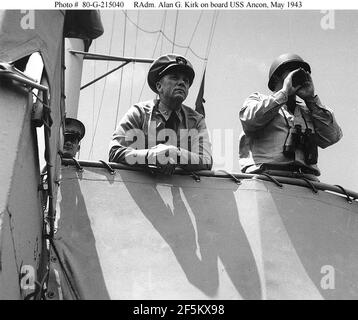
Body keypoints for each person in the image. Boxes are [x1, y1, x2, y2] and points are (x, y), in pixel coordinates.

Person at [239, 53, 342, 179]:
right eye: (291, 71)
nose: (298, 76)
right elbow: (250, 121)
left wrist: (311, 100)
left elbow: (332, 137)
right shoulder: (258, 100)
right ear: (276, 77)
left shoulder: (310, 111)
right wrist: (284, 93)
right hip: (267, 178)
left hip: (306, 182)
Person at [109, 53, 212, 175]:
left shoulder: (196, 120)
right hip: (141, 186)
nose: (182, 83)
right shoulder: (139, 113)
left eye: (186, 80)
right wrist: (152, 156)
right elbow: (115, 151)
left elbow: (206, 161)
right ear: (159, 86)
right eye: (174, 77)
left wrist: (176, 154)